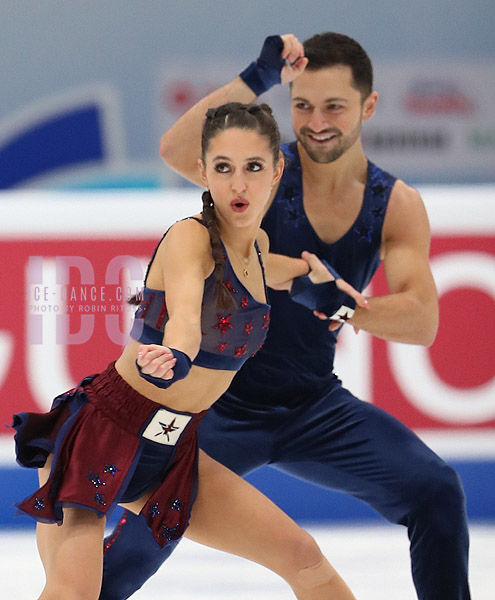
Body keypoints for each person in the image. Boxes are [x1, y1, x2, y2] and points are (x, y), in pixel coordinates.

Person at [98, 33, 471, 600]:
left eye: (334, 107)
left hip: (313, 407)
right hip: (216, 409)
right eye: (302, 105)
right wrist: (258, 74)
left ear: (369, 107)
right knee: (136, 543)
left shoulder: (394, 203)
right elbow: (178, 151)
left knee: (437, 490)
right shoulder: (264, 175)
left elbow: (422, 321)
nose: (316, 121)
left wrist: (345, 305)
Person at [12, 102, 366, 600]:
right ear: (203, 171)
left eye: (253, 167)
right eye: (223, 168)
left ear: (277, 169)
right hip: (102, 435)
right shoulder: (189, 238)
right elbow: (183, 319)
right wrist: (175, 356)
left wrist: (330, 294)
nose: (238, 184)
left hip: (170, 449)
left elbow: (295, 272)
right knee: (74, 592)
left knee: (302, 556)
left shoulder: (258, 249)